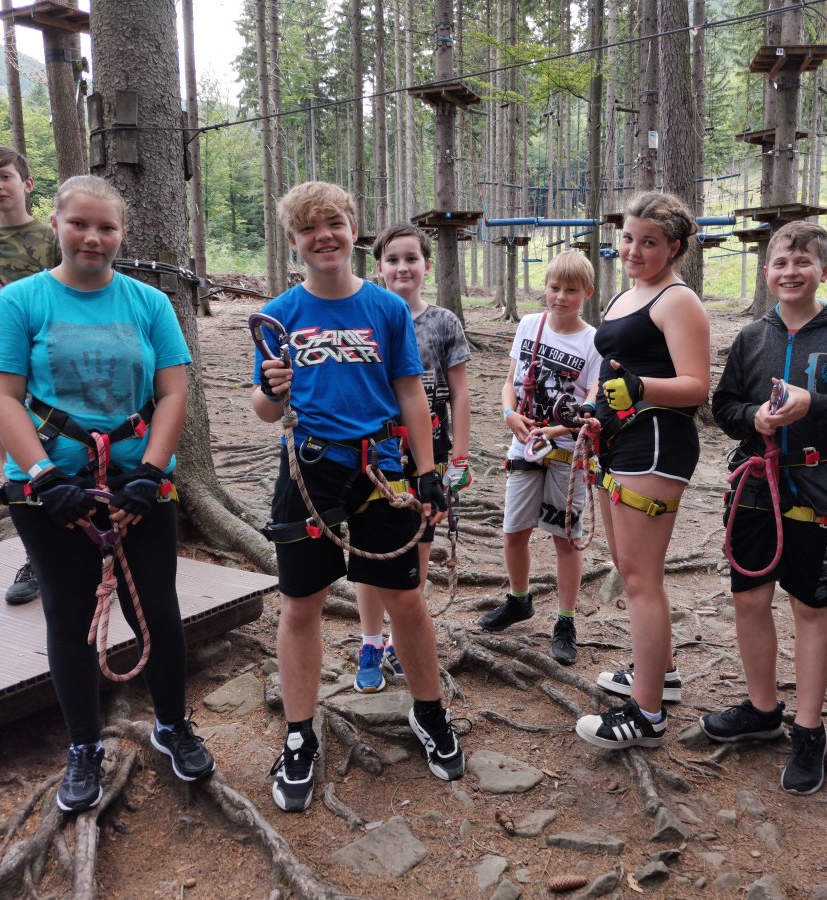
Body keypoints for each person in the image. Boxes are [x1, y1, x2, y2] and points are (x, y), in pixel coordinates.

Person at [0, 175, 214, 813]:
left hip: (138, 484)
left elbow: (173, 393)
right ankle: (83, 745)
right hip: (50, 488)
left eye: (106, 227)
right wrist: (45, 477)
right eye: (79, 224)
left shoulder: (149, 304)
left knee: (155, 608)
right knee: (70, 613)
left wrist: (152, 473)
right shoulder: (21, 302)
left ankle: (172, 724)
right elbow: (2, 396)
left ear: (121, 234)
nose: (93, 238)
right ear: (56, 224)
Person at [253, 182, 463, 813]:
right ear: (294, 241)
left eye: (334, 224)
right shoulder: (279, 315)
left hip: (382, 470)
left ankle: (429, 710)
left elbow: (410, 392)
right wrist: (272, 388)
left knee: (406, 598)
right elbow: (264, 410)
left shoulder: (386, 309)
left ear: (352, 230)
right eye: (309, 228)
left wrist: (427, 473)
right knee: (300, 605)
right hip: (310, 468)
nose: (324, 236)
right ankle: (299, 734)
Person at [702, 220, 827, 795]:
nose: (791, 272)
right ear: (767, 272)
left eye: (803, 262)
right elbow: (723, 405)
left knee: (809, 605)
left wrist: (817, 405)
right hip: (755, 486)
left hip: (818, 485)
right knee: (749, 598)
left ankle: (809, 729)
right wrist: (752, 418)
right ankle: (762, 710)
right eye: (781, 263)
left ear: (824, 271)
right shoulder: (751, 338)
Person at [573, 193, 709, 750]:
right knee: (629, 570)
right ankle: (661, 674)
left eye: (648, 242)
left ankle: (647, 714)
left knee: (639, 579)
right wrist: (592, 410)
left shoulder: (679, 301)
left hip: (656, 443)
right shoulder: (625, 295)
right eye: (628, 238)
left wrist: (640, 388)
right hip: (618, 440)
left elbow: (697, 386)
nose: (633, 250)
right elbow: (612, 369)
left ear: (673, 247)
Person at [352, 224, 473, 692]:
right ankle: (370, 641)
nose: (402, 268)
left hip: (430, 454)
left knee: (420, 544)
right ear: (378, 267)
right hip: (376, 454)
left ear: (427, 265)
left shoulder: (443, 322)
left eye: (411, 259)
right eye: (392, 260)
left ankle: (403, 638)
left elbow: (460, 394)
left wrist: (458, 458)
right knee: (370, 550)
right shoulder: (366, 318)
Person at [479, 250, 600, 666]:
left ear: (587, 293)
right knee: (514, 530)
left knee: (565, 538)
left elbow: (593, 403)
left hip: (568, 454)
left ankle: (565, 621)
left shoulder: (593, 342)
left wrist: (558, 431)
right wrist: (509, 414)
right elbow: (509, 383)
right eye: (554, 288)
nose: (560, 297)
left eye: (571, 290)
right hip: (524, 445)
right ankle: (519, 599)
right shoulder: (530, 325)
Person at [0, 145, 61, 606]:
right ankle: (36, 556)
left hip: (51, 356)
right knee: (14, 458)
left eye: (4, 176)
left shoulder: (53, 236)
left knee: (66, 444)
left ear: (28, 183)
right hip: (1, 361)